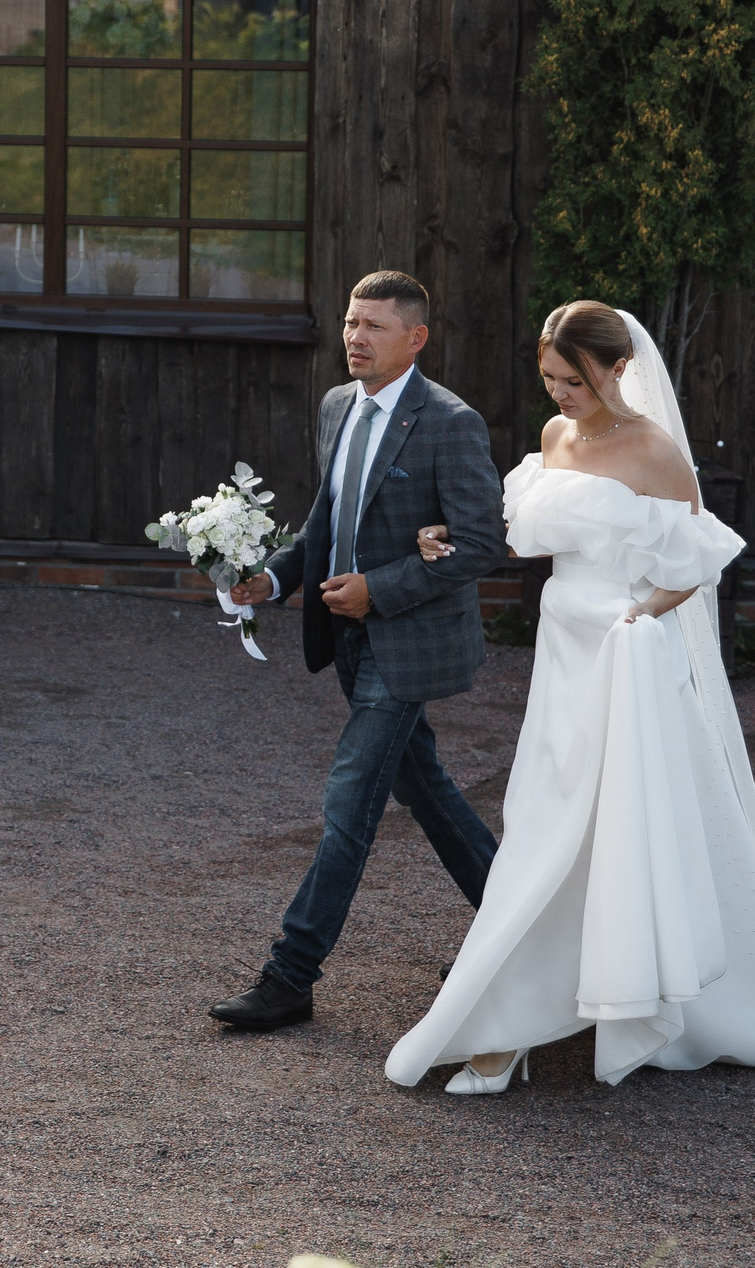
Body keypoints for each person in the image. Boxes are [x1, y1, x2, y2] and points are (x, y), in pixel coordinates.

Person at [385, 301, 755, 1092]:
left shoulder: (656, 452)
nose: (562, 395)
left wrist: (640, 617)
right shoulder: (557, 437)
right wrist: (445, 538)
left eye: (576, 380)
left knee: (615, 826)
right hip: (563, 658)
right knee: (544, 823)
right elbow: (522, 530)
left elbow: (694, 562)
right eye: (551, 379)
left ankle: (545, 1018)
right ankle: (517, 1016)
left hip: (624, 659)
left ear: (618, 368)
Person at [207, 270, 507, 1033]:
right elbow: (325, 523)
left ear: (416, 338)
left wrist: (380, 588)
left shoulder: (451, 423)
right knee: (428, 791)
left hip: (408, 645)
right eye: (349, 322)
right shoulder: (338, 406)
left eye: (373, 325)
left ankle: (290, 973)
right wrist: (271, 579)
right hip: (345, 640)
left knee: (348, 803)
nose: (354, 337)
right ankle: (523, 929)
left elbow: (479, 542)